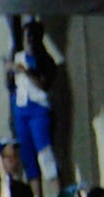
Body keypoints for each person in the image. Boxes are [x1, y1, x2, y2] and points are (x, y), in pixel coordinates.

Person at [8, 17, 65, 185]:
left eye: (33, 36)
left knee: (45, 154)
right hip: (20, 110)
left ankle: (59, 195)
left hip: (39, 110)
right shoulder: (18, 57)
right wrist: (10, 71)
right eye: (27, 37)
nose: (30, 41)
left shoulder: (47, 60)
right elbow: (10, 84)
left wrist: (26, 71)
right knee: (27, 156)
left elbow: (43, 85)